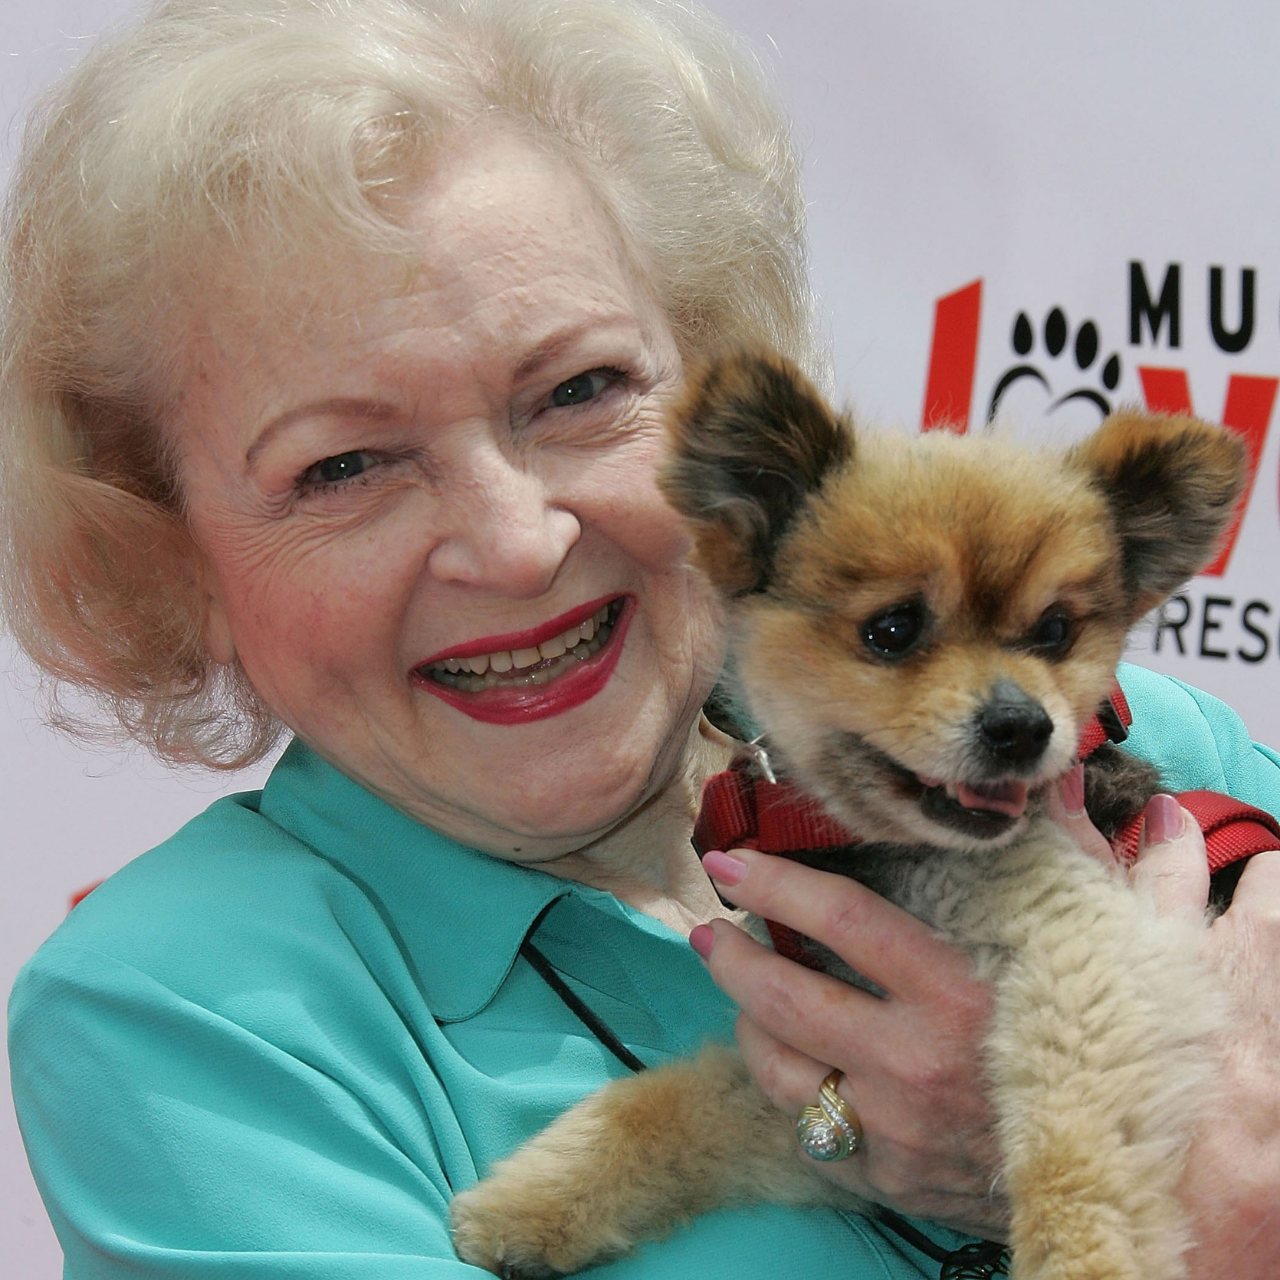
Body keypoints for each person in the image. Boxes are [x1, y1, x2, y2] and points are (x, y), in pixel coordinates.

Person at [2, 1, 1277, 1276]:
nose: (514, 543)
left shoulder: (1151, 742)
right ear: (172, 560)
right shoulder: (187, 1022)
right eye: (342, 465)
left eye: (578, 390)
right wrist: (1204, 1204)